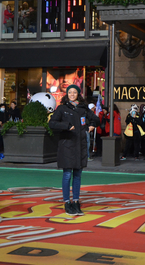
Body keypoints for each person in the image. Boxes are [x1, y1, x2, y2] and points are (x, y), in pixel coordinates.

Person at [49, 84, 99, 216]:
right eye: (70, 92)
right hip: (67, 145)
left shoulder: (83, 108)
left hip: (80, 146)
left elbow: (96, 119)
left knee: (78, 175)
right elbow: (52, 123)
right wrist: (66, 126)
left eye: (74, 92)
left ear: (78, 94)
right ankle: (67, 202)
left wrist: (91, 126)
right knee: (67, 175)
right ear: (67, 94)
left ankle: (76, 201)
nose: (72, 94)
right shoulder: (62, 108)